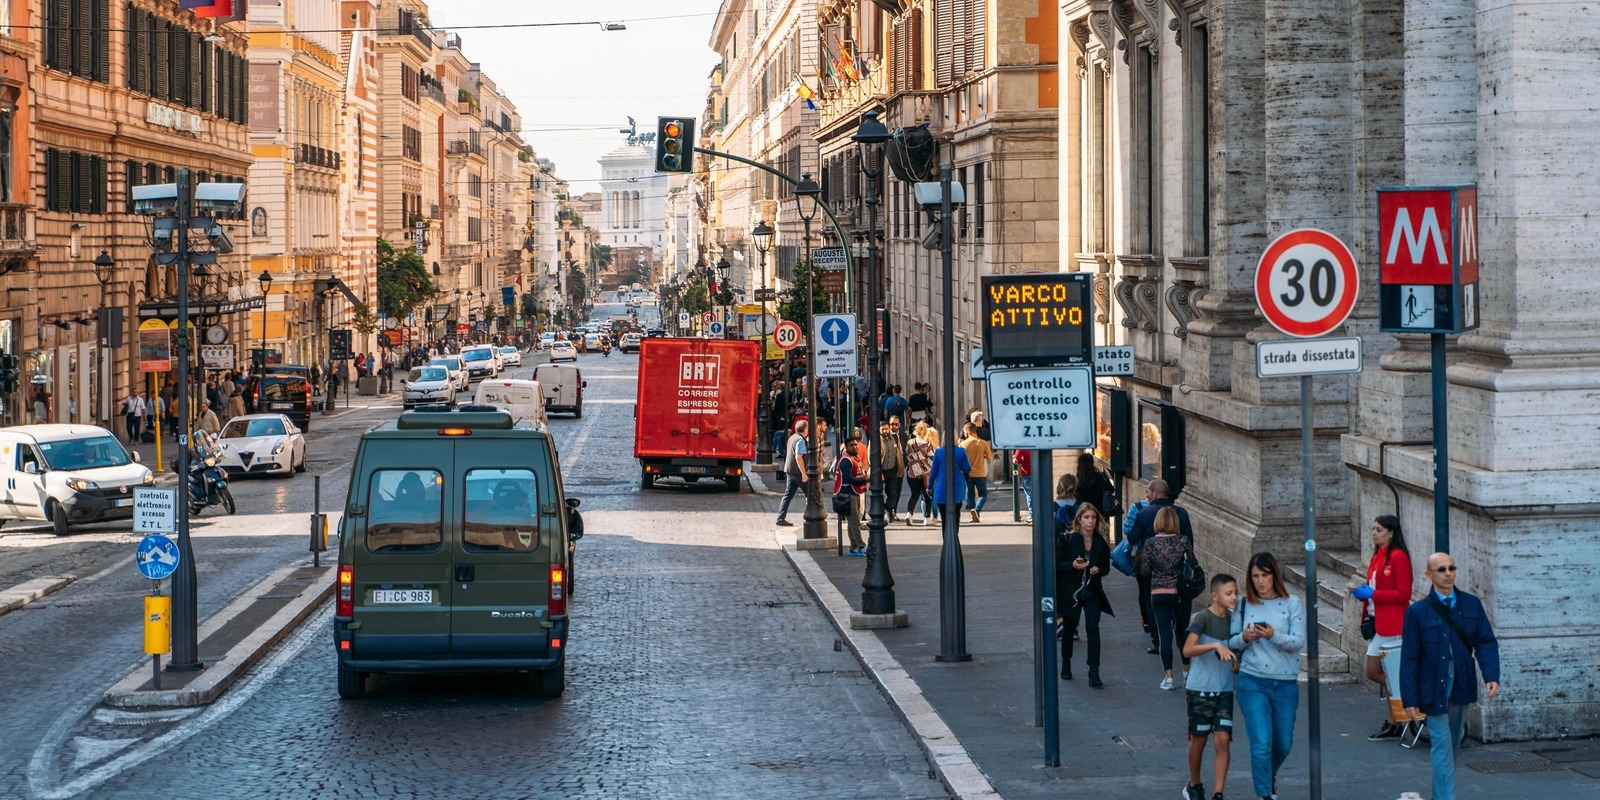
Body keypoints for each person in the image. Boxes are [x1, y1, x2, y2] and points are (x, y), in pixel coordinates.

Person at [1401, 553, 1500, 800]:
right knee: (1442, 745)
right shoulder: (1417, 612)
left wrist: (1491, 675)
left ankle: (1440, 794)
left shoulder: (1471, 604)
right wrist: (1409, 698)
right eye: (1441, 569)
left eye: (1451, 568)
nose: (1448, 573)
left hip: (1461, 685)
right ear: (1428, 575)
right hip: (1433, 688)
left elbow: (1486, 642)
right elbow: (1410, 658)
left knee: (1452, 745)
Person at [1227, 552, 1305, 800]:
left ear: (1274, 575)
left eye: (1265, 575)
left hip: (1285, 683)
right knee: (1261, 741)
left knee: (1283, 743)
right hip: (1252, 681)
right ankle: (1264, 793)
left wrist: (1272, 635)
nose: (1260, 581)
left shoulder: (1292, 603)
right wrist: (1245, 638)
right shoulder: (1243, 604)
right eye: (1255, 576)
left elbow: (1298, 641)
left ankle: (1267, 774)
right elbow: (1231, 641)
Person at [1352, 514, 1415, 741]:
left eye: (1379, 530)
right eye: (1373, 529)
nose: (1374, 533)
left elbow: (1404, 593)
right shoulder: (1377, 557)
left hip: (1393, 625)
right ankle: (1395, 719)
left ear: (1390, 532)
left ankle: (1399, 712)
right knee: (1380, 672)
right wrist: (1364, 594)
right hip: (1378, 622)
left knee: (1376, 671)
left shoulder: (1398, 557)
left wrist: (1374, 594)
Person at [1183, 574, 1240, 800]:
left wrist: (1236, 661)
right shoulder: (1202, 618)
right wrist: (1214, 645)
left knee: (1223, 739)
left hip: (1224, 690)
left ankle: (1218, 793)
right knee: (1200, 739)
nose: (1234, 597)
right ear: (1214, 596)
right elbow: (1188, 650)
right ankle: (1194, 784)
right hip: (1200, 690)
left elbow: (1235, 649)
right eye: (1229, 593)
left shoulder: (1234, 621)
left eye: (1236, 592)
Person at [1128, 479, 1195, 653]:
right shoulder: (1182, 513)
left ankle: (1157, 639)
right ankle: (1180, 637)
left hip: (1153, 570)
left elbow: (1132, 537)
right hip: (1177, 570)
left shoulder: (1145, 513)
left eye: (1148, 492)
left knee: (1151, 602)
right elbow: (1190, 541)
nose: (1147, 496)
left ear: (1156, 493)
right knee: (1178, 602)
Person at [1058, 503, 1113, 686]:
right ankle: (1066, 663)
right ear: (1079, 520)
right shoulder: (1069, 539)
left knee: (1093, 629)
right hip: (1072, 591)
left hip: (1092, 591)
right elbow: (1057, 564)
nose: (1090, 521)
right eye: (1087, 517)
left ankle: (1094, 671)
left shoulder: (1100, 541)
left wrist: (1099, 569)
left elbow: (1106, 566)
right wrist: (1072, 565)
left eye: (1093, 517)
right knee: (1068, 629)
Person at [1139, 507, 1194, 690]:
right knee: (1183, 633)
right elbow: (1192, 563)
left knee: (1164, 636)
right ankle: (1187, 674)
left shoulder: (1150, 543)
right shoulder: (1183, 541)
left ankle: (1169, 678)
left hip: (1159, 592)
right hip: (1179, 593)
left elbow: (1145, 571)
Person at [927, 428, 971, 525]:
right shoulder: (961, 451)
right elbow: (968, 469)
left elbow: (933, 472)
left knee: (944, 519)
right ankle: (955, 537)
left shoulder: (938, 452)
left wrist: (929, 487)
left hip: (941, 487)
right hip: (957, 486)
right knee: (956, 515)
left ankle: (945, 539)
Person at [835, 431, 868, 556]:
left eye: (855, 445)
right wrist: (864, 479)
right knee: (854, 522)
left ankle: (853, 547)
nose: (854, 447)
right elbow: (848, 479)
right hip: (847, 494)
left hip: (854, 493)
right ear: (846, 447)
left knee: (852, 522)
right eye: (851, 445)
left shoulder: (854, 458)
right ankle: (861, 546)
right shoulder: (846, 461)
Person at [774, 420, 810, 526]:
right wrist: (803, 473)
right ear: (804, 429)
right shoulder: (800, 440)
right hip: (797, 472)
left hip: (789, 470)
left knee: (788, 495)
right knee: (811, 494)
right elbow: (799, 457)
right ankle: (811, 516)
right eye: (807, 428)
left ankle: (780, 518)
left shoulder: (792, 437)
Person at [958, 422, 993, 523]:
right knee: (983, 494)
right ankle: (976, 510)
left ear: (968, 431)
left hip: (967, 472)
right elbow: (990, 458)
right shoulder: (983, 443)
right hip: (980, 472)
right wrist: (984, 456)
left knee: (970, 494)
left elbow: (960, 460)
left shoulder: (962, 444)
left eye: (965, 432)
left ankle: (973, 515)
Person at [903, 422, 934, 525]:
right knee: (927, 495)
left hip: (911, 472)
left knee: (914, 495)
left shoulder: (910, 442)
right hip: (925, 473)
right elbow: (931, 456)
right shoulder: (928, 443)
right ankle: (927, 518)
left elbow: (907, 454)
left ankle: (909, 514)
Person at [1074, 452, 1117, 518]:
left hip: (1084, 515)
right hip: (1100, 514)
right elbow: (1111, 489)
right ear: (1092, 464)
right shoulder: (1100, 476)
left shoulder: (1077, 480)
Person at [878, 420, 905, 522]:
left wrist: (900, 467)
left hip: (892, 470)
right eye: (882, 429)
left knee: (893, 493)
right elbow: (871, 456)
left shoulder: (894, 438)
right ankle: (880, 513)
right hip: (881, 471)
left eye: (886, 429)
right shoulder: (876, 440)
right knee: (878, 493)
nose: (885, 431)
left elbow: (898, 452)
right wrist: (878, 472)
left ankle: (888, 508)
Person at [1013, 449, 1033, 520]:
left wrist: (1019, 459)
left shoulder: (1022, 446)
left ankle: (1032, 515)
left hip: (1027, 473)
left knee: (1030, 494)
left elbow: (1016, 460)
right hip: (1038, 473)